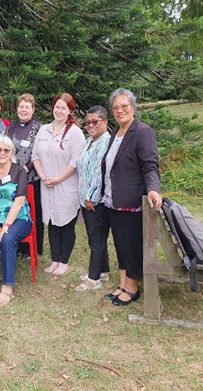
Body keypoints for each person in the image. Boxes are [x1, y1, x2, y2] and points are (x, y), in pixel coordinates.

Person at [102, 89, 162, 306]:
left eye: (124, 106)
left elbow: (150, 166)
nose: (120, 110)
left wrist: (153, 189)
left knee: (131, 245)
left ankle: (133, 287)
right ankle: (123, 284)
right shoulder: (116, 132)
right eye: (115, 107)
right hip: (112, 200)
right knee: (120, 243)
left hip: (131, 200)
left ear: (133, 107)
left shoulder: (143, 132)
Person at [32, 93, 85, 276]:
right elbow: (35, 155)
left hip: (65, 185)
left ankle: (64, 261)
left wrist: (58, 178)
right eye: (57, 107)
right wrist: (42, 175)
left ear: (70, 110)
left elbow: (76, 160)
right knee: (52, 223)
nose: (59, 111)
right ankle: (55, 259)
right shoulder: (43, 130)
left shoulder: (75, 133)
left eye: (64, 108)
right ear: (52, 108)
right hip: (46, 184)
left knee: (66, 223)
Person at [0, 136, 33, 307]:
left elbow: (19, 202)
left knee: (7, 238)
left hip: (18, 218)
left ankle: (7, 288)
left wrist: (6, 226)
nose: (2, 153)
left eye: (6, 150)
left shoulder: (19, 172)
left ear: (12, 153)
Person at [75, 106, 111, 291]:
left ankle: (94, 278)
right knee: (95, 236)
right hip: (85, 198)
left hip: (96, 201)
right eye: (87, 122)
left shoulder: (105, 143)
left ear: (104, 122)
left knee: (96, 239)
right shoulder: (89, 141)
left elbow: (100, 174)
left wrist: (90, 198)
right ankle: (103, 271)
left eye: (95, 122)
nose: (90, 125)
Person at [6, 93, 44, 256]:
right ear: (17, 109)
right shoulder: (11, 127)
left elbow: (40, 151)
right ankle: (18, 246)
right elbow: (5, 148)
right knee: (16, 211)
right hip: (13, 178)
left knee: (34, 212)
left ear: (33, 109)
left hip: (32, 177)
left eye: (27, 107)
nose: (23, 110)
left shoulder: (39, 128)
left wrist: (28, 167)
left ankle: (34, 248)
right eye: (21, 106)